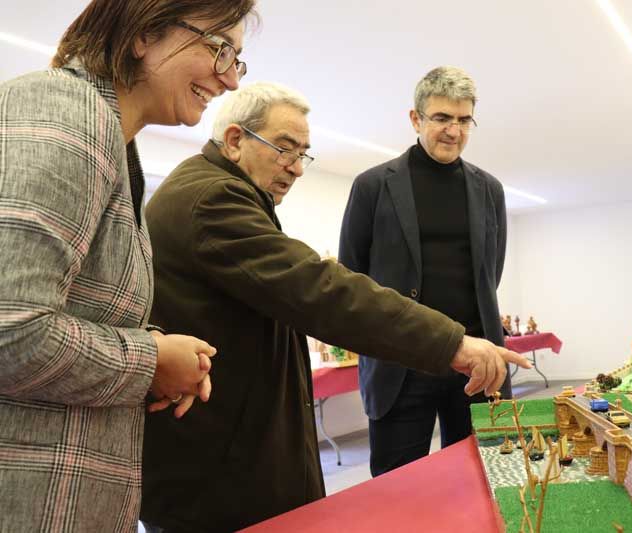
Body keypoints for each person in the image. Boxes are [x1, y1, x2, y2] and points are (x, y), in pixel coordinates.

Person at [141, 82, 528, 532]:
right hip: (218, 465)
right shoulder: (213, 199)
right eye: (284, 149)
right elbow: (327, 289)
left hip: (226, 449)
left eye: (302, 154)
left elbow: (488, 271)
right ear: (234, 140)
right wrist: (453, 342)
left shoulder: (219, 191)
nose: (296, 167)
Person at [0, 0, 255, 530]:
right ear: (145, 32)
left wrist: (153, 350)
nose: (230, 78)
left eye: (236, 59)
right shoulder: (67, 111)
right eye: (219, 48)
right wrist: (150, 361)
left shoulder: (115, 140)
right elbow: (12, 329)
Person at [338, 66, 510, 477]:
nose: (453, 130)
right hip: (401, 363)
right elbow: (351, 275)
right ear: (415, 119)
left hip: (476, 361)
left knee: (481, 478)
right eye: (442, 118)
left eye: (464, 120)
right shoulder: (372, 186)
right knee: (398, 485)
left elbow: (491, 273)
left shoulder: (489, 190)